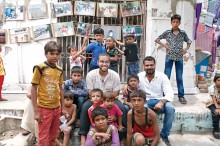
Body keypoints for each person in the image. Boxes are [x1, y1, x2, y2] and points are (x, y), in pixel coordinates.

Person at [79, 53, 127, 146]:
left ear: (109, 63)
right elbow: (90, 92)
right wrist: (99, 100)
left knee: (122, 108)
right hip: (95, 98)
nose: (104, 64)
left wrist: (106, 100)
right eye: (101, 62)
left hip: (110, 98)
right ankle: (83, 136)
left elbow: (116, 93)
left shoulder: (115, 75)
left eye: (106, 62)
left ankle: (122, 137)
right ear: (97, 62)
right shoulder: (91, 75)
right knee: (85, 107)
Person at [31, 41, 64, 146]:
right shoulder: (40, 67)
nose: (54, 56)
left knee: (53, 136)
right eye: (52, 53)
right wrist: (36, 111)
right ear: (45, 53)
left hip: (57, 108)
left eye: (57, 54)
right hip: (44, 108)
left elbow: (61, 89)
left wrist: (62, 107)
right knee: (43, 137)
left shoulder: (59, 70)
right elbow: (33, 88)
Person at [155, 14, 192, 104]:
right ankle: (165, 95)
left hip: (179, 57)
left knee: (179, 77)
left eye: (177, 22)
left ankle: (181, 96)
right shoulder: (167, 32)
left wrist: (186, 49)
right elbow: (157, 39)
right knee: (166, 76)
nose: (175, 23)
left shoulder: (182, 33)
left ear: (179, 23)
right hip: (169, 57)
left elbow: (189, 41)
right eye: (173, 22)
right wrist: (165, 45)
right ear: (171, 22)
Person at [206, 75, 220, 139]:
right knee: (216, 112)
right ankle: (216, 128)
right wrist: (217, 108)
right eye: (218, 80)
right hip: (212, 102)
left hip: (219, 102)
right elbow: (213, 98)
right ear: (215, 81)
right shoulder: (212, 87)